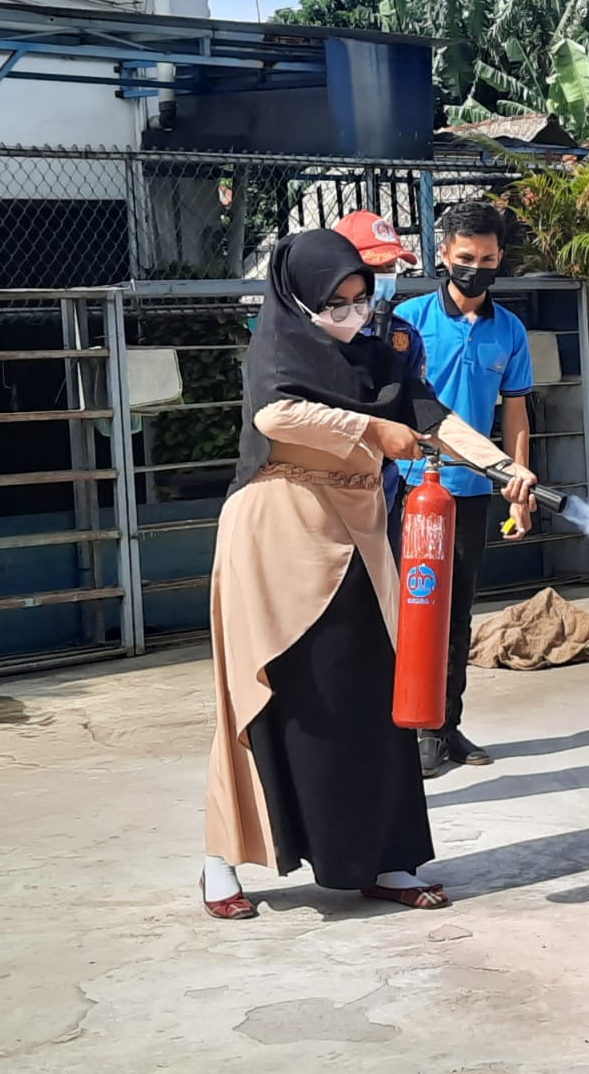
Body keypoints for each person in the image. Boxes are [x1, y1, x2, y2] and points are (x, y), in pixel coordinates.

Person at [200, 228, 537, 921]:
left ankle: (384, 857)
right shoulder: (278, 343)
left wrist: (504, 468)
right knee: (268, 688)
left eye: (361, 297)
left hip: (357, 526)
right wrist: (370, 432)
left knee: (375, 684)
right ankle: (221, 861)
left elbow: (429, 414)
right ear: (299, 297)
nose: (354, 313)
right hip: (278, 526)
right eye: (339, 302)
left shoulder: (380, 347)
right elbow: (277, 412)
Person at [395, 201, 535, 778]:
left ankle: (444, 723)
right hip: (406, 490)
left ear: (500, 259)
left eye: (487, 258)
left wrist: (518, 485)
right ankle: (408, 726)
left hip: (473, 493)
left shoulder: (511, 331)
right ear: (444, 256)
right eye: (465, 258)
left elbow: (518, 413)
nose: (476, 268)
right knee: (410, 609)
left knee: (456, 614)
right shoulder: (408, 321)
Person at [332, 210, 425, 550]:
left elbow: (421, 406)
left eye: (390, 269)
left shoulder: (403, 336)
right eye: (374, 269)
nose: (383, 278)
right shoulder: (312, 335)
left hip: (382, 481)